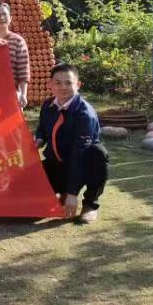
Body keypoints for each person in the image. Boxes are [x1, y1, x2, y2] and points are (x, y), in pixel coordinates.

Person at [34, 63, 109, 224]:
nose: (63, 87)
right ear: (50, 84)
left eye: (68, 83)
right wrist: (39, 139)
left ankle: (90, 205)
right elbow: (42, 129)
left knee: (98, 154)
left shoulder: (84, 113)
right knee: (29, 198)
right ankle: (62, 193)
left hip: (82, 165)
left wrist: (72, 193)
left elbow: (78, 154)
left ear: (78, 84)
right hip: (57, 163)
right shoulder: (47, 105)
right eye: (58, 83)